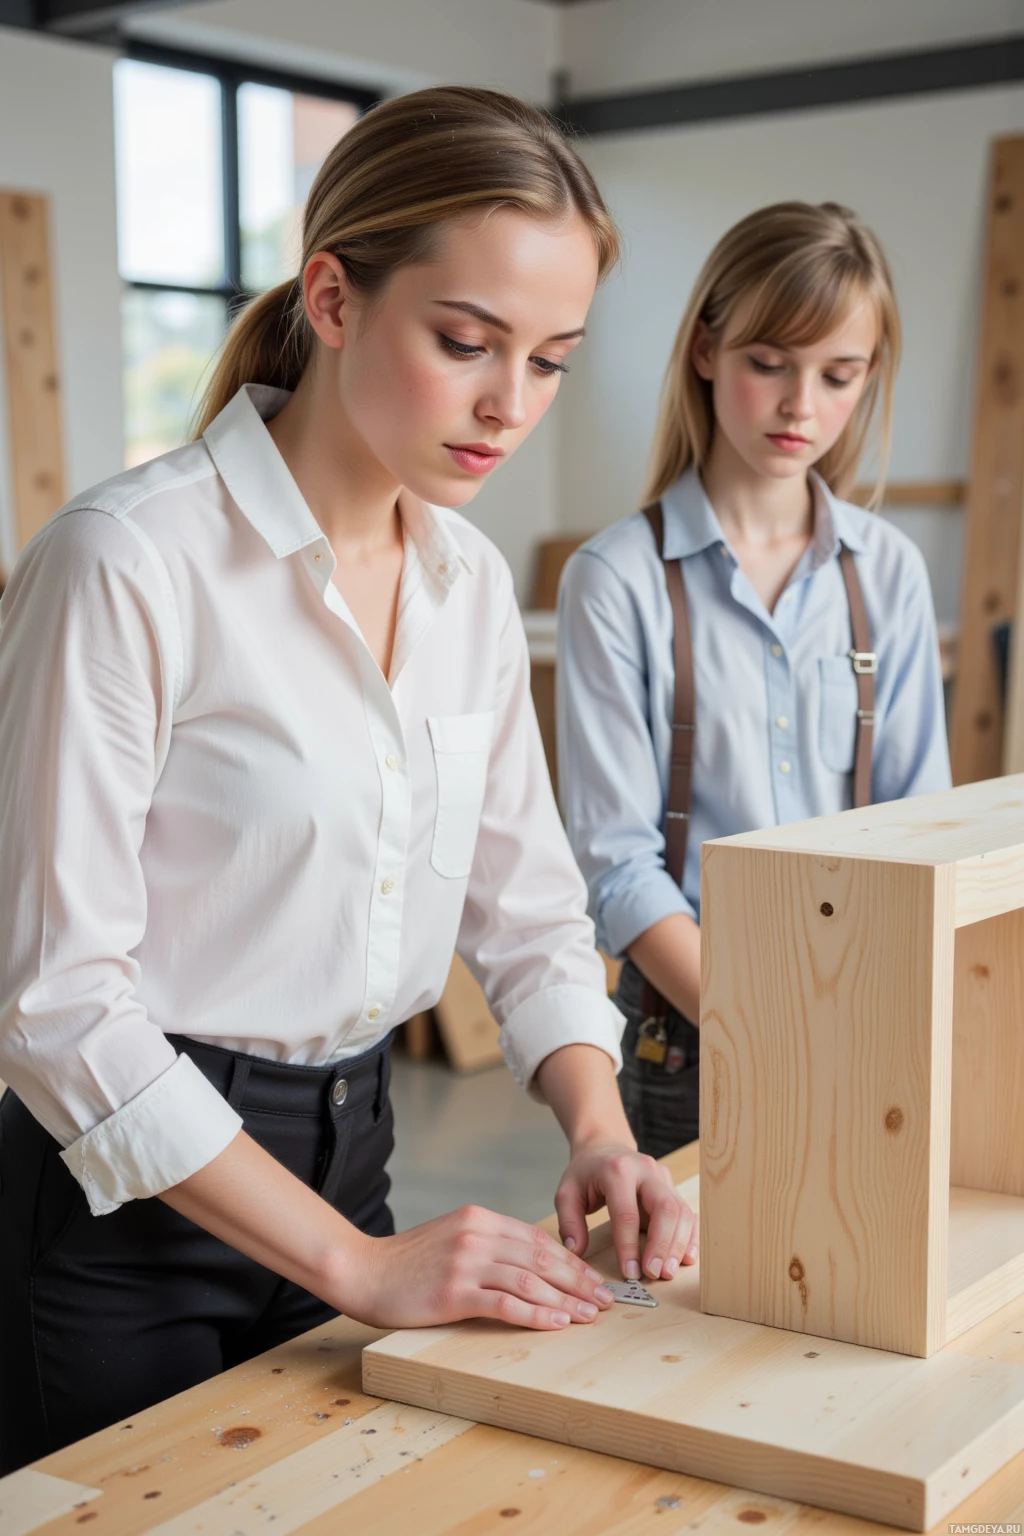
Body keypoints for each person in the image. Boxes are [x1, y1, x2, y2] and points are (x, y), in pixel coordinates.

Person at [0, 85, 698, 1473]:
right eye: (465, 342)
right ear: (331, 297)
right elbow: (56, 1003)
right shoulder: (125, 564)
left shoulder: (470, 586)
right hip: (120, 1212)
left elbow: (528, 905)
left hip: (356, 1150)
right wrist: (360, 1270)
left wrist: (600, 1127)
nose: (512, 405)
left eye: (552, 359)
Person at [557, 201, 951, 1163]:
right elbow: (618, 866)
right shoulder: (616, 581)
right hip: (684, 1041)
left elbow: (921, 821)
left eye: (838, 374)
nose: (799, 406)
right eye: (768, 362)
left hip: (871, 1016)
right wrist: (761, 1025)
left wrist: (862, 1019)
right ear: (705, 349)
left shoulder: (887, 571)